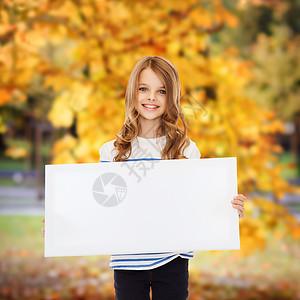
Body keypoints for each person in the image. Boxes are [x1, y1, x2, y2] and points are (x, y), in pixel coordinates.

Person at [42, 55, 246, 300]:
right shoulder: (113, 151)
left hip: (173, 260)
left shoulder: (186, 150)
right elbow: (101, 205)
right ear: (132, 93)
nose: (151, 97)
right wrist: (62, 226)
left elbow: (197, 202)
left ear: (172, 97)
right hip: (127, 262)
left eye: (161, 91)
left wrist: (228, 207)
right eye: (143, 89)